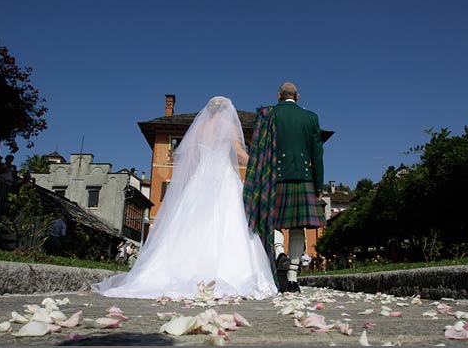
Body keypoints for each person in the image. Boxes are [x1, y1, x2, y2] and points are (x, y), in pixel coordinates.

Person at [92, 96, 277, 300]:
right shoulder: (228, 127)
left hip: (201, 178)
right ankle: (228, 272)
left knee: (192, 222)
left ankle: (180, 270)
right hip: (224, 178)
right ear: (227, 111)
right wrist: (260, 166)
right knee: (229, 220)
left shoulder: (200, 128)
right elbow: (240, 153)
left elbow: (192, 158)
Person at [244, 82, 326, 293]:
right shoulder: (311, 118)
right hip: (303, 177)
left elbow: (258, 149)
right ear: (297, 96)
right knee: (299, 228)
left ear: (279, 95)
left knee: (273, 223)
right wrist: (318, 184)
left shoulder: (267, 114)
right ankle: (292, 277)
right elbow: (317, 154)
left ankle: (279, 253)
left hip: (274, 177)